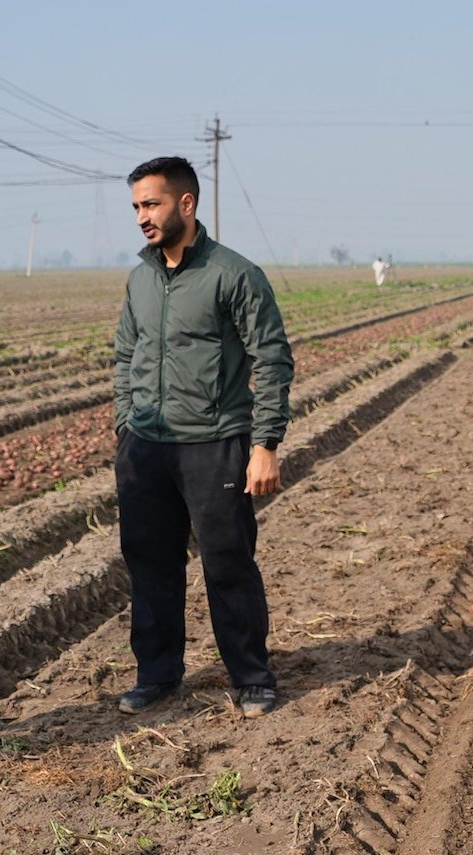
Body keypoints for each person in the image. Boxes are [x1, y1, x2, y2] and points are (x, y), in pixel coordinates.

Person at [113, 156, 295, 718]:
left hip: (214, 442)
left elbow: (273, 358)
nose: (143, 216)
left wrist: (264, 443)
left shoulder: (233, 274)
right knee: (149, 563)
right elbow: (126, 353)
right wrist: (126, 423)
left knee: (227, 561)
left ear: (185, 204)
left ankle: (251, 676)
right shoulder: (140, 277)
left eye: (152, 204)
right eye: (138, 206)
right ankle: (157, 675)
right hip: (146, 446)